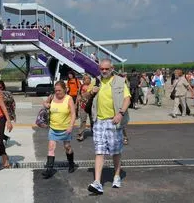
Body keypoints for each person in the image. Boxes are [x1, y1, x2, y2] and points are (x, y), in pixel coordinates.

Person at [87, 59, 130, 195]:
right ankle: (97, 182)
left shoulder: (120, 81)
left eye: (106, 69)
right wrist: (91, 92)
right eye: (101, 69)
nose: (104, 71)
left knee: (115, 151)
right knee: (99, 151)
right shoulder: (96, 81)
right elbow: (84, 97)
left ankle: (116, 176)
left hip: (113, 121)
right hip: (99, 121)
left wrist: (120, 114)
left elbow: (127, 98)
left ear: (112, 68)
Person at [41, 80, 77, 179]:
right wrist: (45, 104)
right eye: (56, 90)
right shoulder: (52, 97)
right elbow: (45, 102)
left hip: (65, 128)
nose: (57, 92)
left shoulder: (68, 99)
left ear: (65, 90)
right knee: (51, 147)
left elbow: (73, 114)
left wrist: (70, 126)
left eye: (59, 90)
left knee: (67, 147)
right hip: (53, 128)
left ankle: (71, 164)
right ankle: (49, 169)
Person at [76, 74, 94, 141]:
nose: (87, 80)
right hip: (83, 106)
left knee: (93, 120)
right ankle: (80, 134)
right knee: (83, 120)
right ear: (83, 80)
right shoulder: (81, 87)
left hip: (92, 106)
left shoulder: (92, 86)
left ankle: (94, 132)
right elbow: (78, 96)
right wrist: (76, 104)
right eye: (86, 78)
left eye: (89, 78)